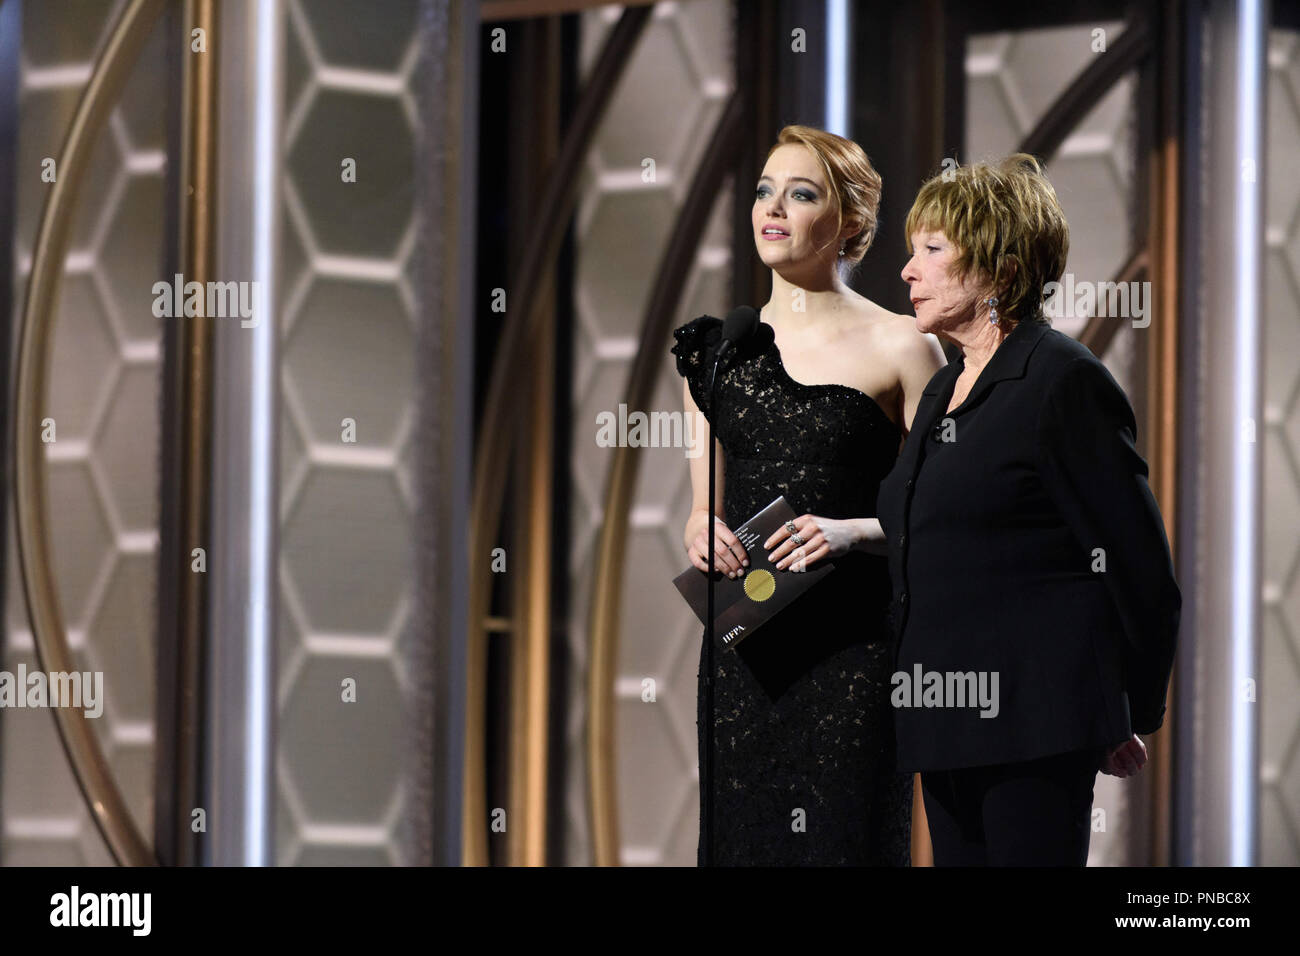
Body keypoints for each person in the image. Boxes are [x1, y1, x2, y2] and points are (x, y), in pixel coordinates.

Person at [876, 153, 1182, 866]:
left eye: (930, 250)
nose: (907, 271)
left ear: (1000, 273)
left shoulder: (1061, 380)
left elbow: (1139, 565)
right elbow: (923, 527)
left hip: (1034, 725)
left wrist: (1123, 711)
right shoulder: (942, 389)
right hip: (943, 720)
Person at [671, 125, 945, 865]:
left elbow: (942, 514)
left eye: (801, 193)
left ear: (849, 224)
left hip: (853, 655)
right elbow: (707, 502)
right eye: (765, 190)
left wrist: (853, 529)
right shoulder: (717, 349)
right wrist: (700, 523)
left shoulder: (904, 346)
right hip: (746, 653)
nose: (774, 208)